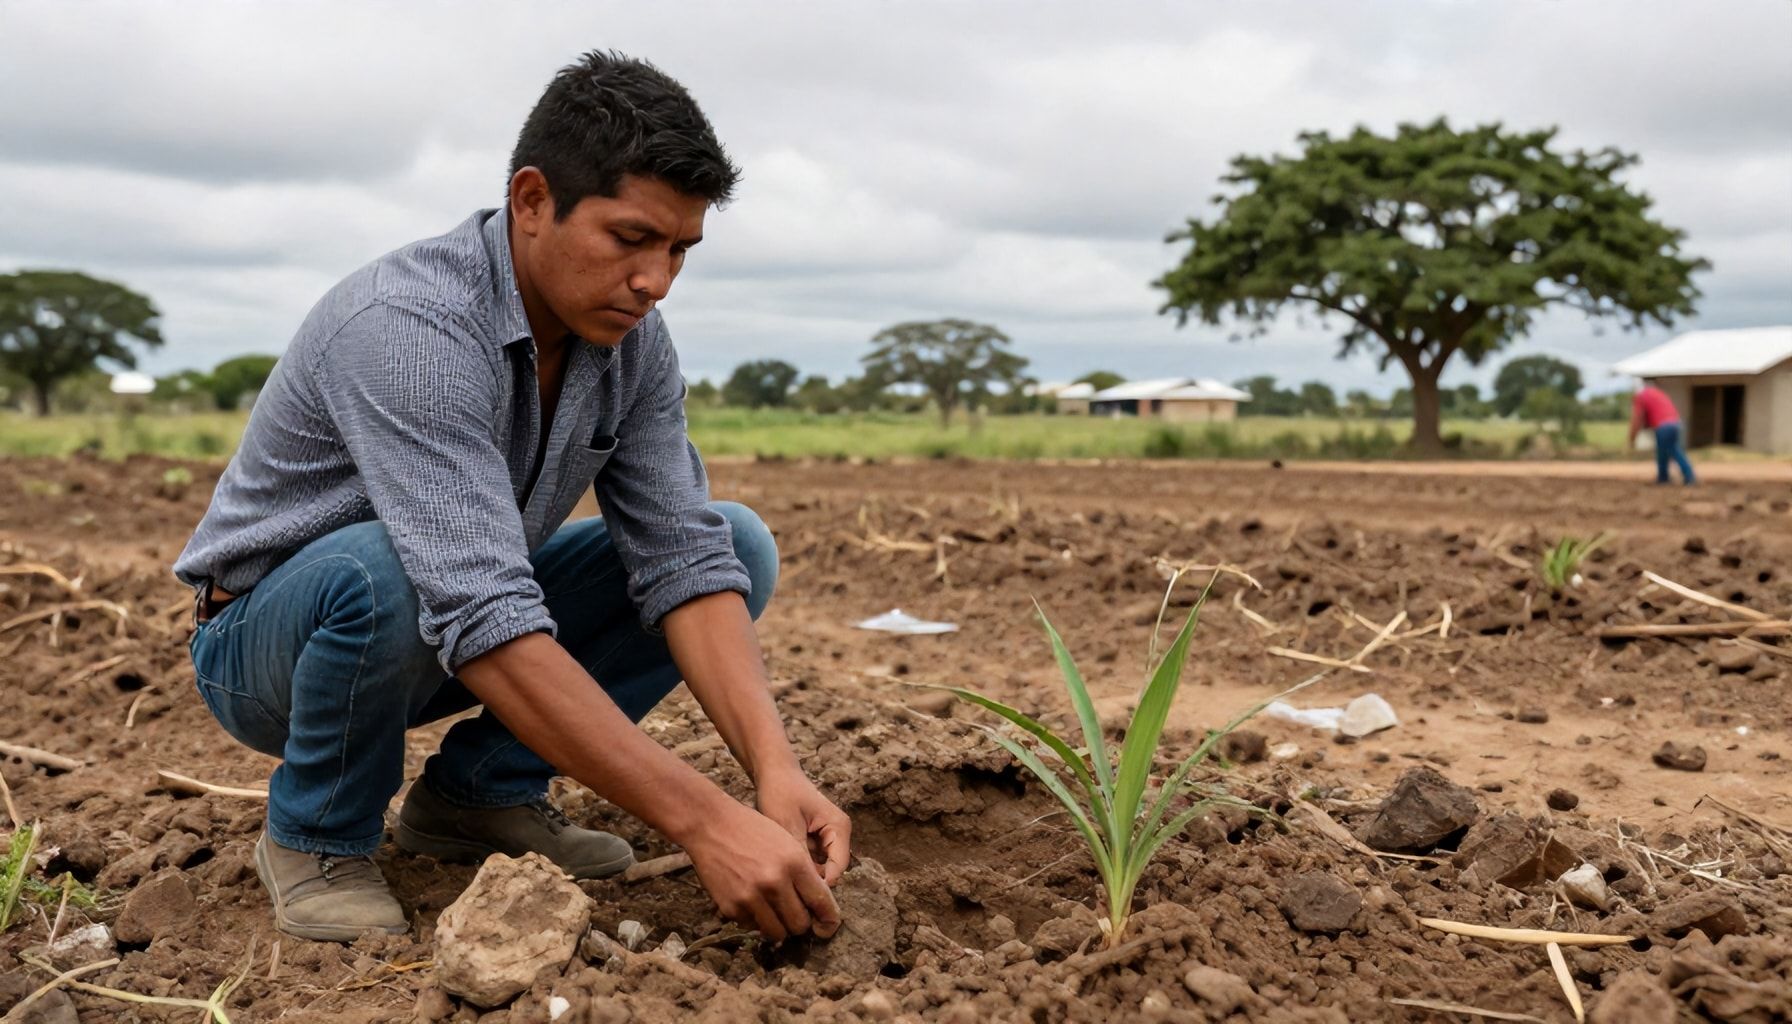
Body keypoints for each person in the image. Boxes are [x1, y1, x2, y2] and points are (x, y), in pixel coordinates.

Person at [173, 52, 851, 943]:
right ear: (533, 201)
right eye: (630, 238)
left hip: (446, 623)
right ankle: (317, 835)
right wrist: (707, 821)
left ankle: (478, 798)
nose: (656, 281)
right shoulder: (408, 329)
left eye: (680, 250)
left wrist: (773, 771)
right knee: (390, 566)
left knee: (735, 543)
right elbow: (477, 602)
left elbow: (681, 555)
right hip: (273, 651)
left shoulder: (631, 342)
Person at [1628, 377, 1696, 485]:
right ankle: (1663, 477)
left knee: (1673, 450)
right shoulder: (1656, 393)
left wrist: (1632, 439)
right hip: (1675, 423)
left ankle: (1689, 476)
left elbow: (1637, 419)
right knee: (1663, 452)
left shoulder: (1641, 396)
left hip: (1664, 426)